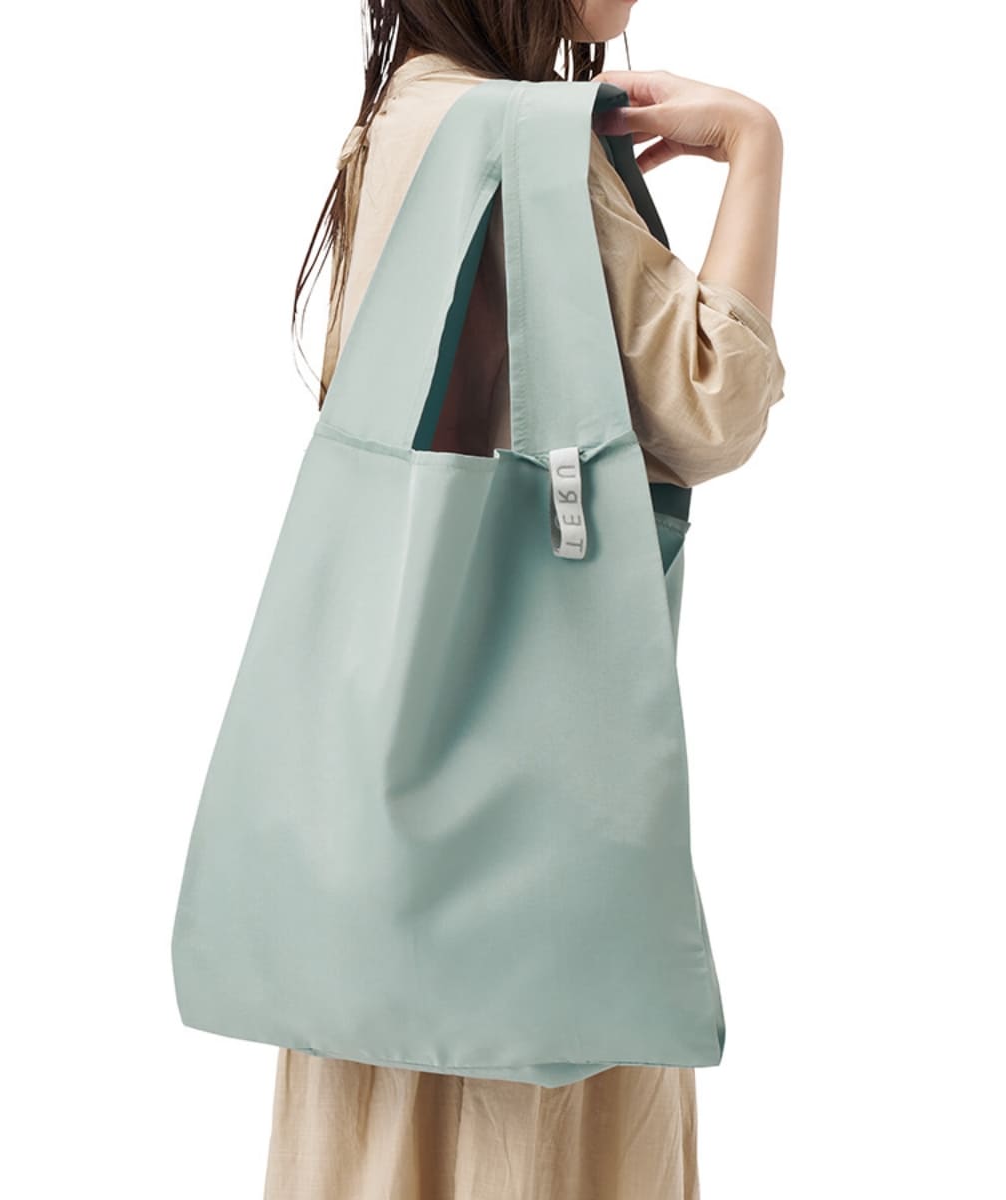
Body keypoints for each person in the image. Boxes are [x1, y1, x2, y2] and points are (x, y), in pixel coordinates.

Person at [266, 3, 786, 1197]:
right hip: (534, 852)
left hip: (375, 845)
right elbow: (711, 405)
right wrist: (755, 145)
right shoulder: (525, 138)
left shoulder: (397, 116)